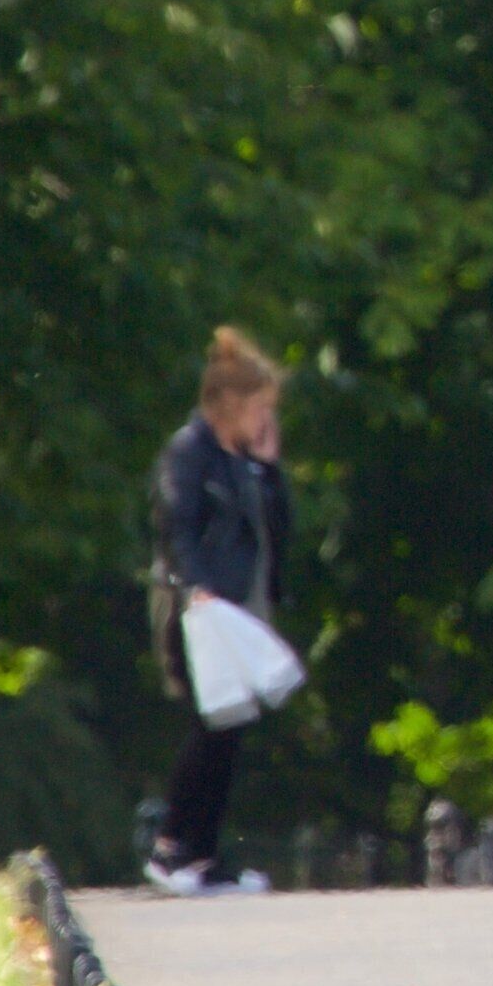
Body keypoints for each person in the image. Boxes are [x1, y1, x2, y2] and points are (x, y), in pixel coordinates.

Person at [146, 327, 293, 896]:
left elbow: (278, 531)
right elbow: (175, 527)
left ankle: (204, 853)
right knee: (209, 726)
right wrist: (197, 588)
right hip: (197, 607)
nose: (264, 420)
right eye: (260, 409)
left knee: (230, 728)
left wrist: (270, 468)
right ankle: (171, 845)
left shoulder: (241, 461)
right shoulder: (190, 453)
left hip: (239, 607)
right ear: (231, 406)